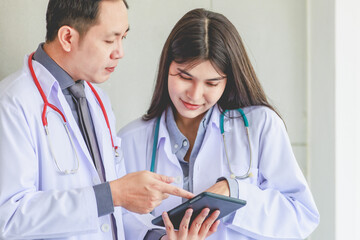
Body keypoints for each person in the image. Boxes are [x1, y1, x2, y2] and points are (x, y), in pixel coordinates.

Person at [0, 1, 220, 239]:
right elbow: (8, 218)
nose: (120, 52)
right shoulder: (12, 103)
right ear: (67, 37)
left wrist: (159, 237)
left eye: (123, 38)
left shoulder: (97, 101)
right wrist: (111, 194)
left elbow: (116, 213)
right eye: (109, 40)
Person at [118, 8, 320, 240]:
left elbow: (301, 216)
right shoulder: (130, 140)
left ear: (228, 81)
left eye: (212, 83)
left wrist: (234, 193)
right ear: (167, 67)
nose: (194, 95)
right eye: (184, 77)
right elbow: (116, 222)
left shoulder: (260, 126)